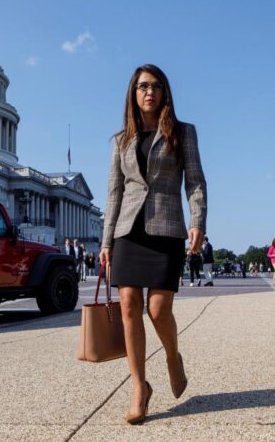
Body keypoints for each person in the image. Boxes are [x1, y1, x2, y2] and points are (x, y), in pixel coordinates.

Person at [100, 64, 207, 425]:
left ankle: (172, 357)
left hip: (166, 228)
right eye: (143, 86)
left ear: (165, 93)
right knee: (129, 303)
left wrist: (198, 222)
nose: (150, 92)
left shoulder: (183, 133)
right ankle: (139, 388)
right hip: (127, 230)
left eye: (156, 86)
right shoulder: (120, 140)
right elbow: (114, 194)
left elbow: (195, 182)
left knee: (158, 310)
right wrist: (106, 242)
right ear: (133, 93)